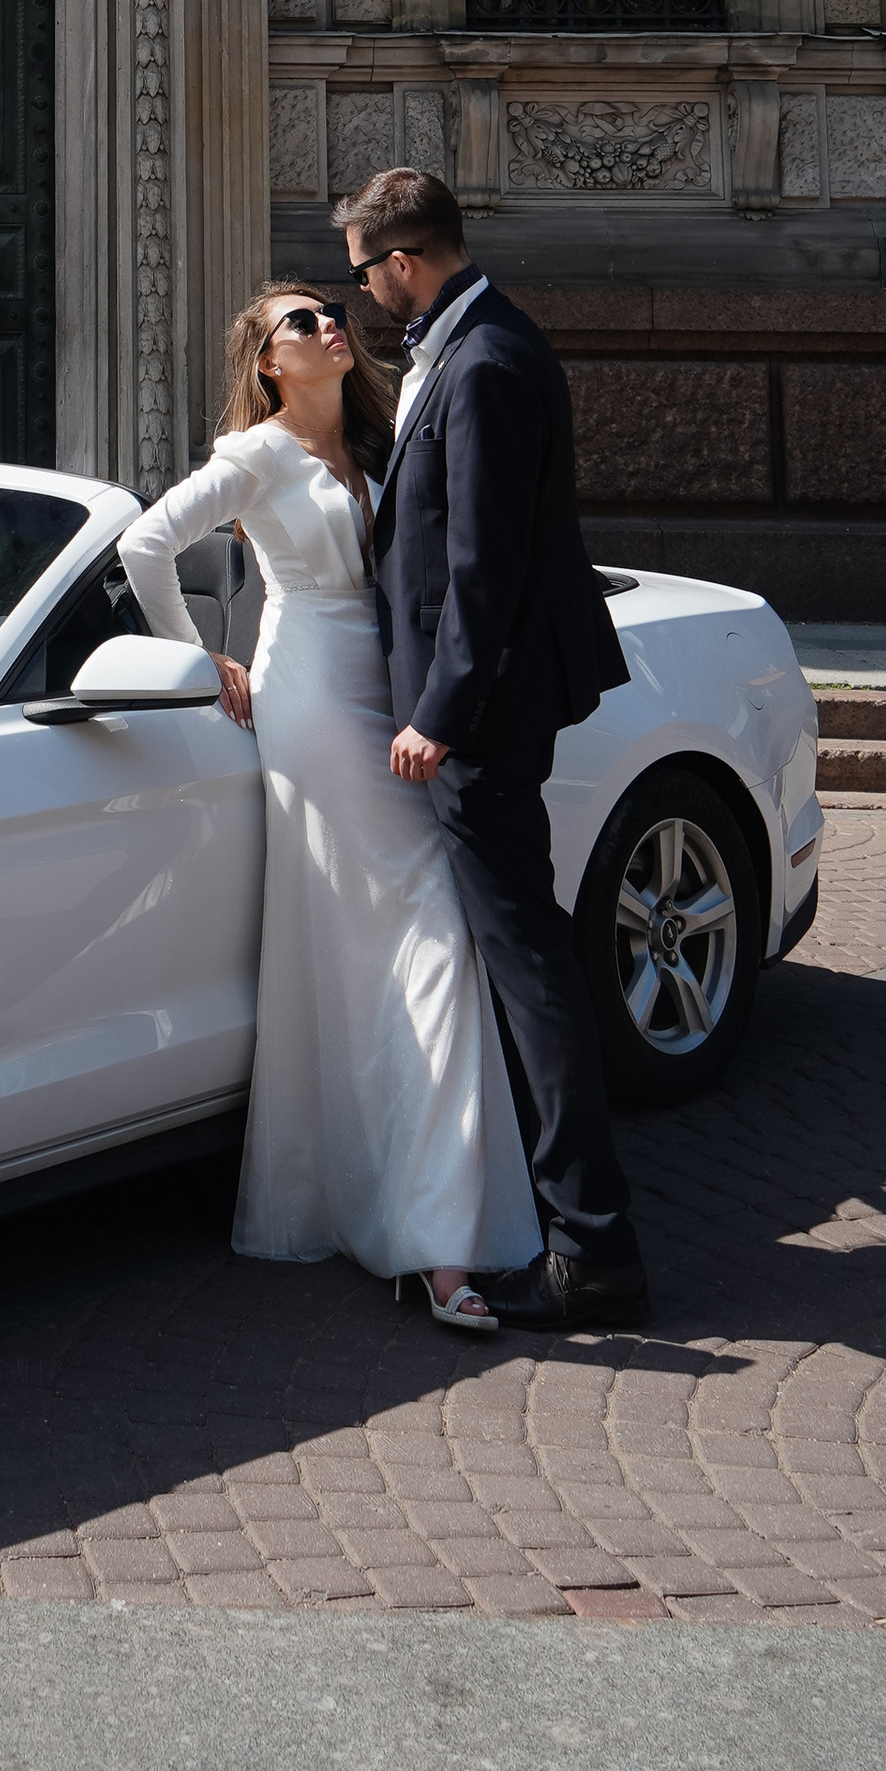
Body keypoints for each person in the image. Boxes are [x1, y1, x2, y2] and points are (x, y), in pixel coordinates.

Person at [120, 282, 540, 1328]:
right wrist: (200, 658)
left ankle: (416, 1210)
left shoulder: (377, 442)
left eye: (331, 314)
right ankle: (439, 1247)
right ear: (268, 361)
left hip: (389, 687)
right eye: (300, 323)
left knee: (399, 949)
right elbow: (143, 545)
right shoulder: (255, 454)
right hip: (308, 695)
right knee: (430, 934)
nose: (327, 327)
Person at [337, 162, 651, 1332]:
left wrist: (442, 713)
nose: (362, 294)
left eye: (364, 273)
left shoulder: (487, 362)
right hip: (480, 706)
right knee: (527, 955)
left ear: (402, 261)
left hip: (479, 718)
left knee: (530, 967)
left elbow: (483, 564)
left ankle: (591, 1246)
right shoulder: (473, 345)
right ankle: (557, 1206)